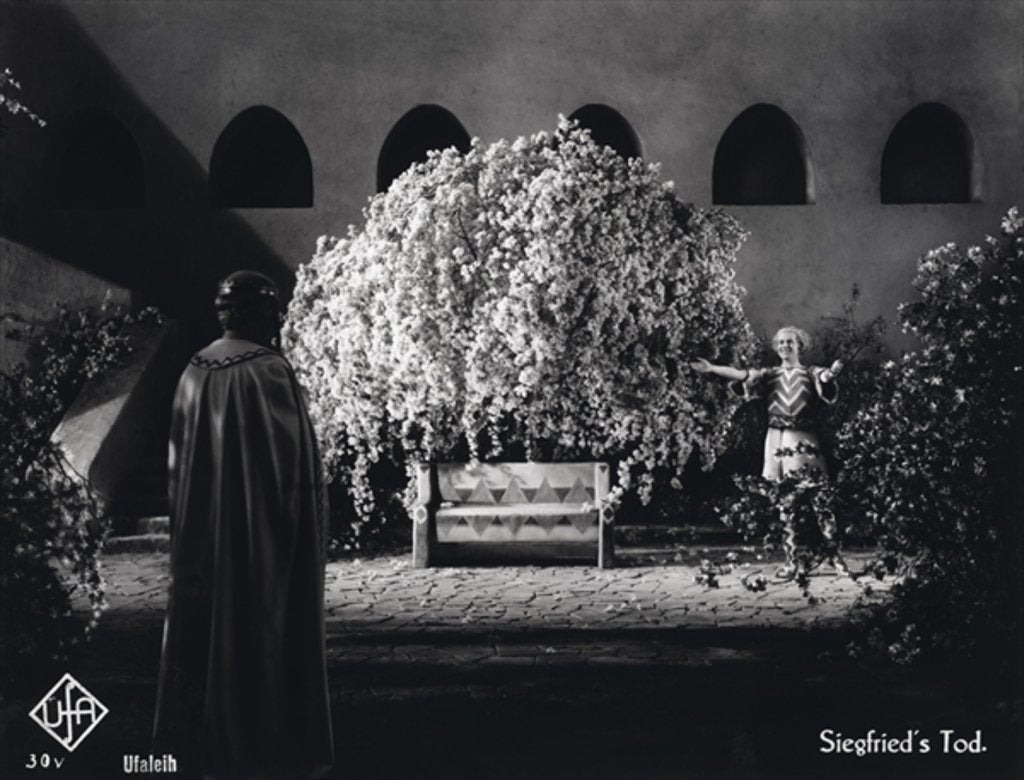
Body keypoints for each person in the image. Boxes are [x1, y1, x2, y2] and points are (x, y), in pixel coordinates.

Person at [154, 270, 333, 779]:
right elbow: (291, 472)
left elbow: (180, 465)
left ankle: (194, 743)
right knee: (259, 629)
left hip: (200, 538)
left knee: (202, 628)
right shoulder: (268, 371)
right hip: (257, 543)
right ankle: (261, 747)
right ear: (265, 314)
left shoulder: (194, 370)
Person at [692, 326, 845, 577]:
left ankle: (835, 557)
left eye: (790, 342)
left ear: (800, 346)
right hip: (776, 440)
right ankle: (791, 561)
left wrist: (831, 374)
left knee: (820, 500)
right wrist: (711, 368)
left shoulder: (810, 372)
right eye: (781, 342)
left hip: (805, 439)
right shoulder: (770, 374)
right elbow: (741, 375)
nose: (785, 346)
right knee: (786, 503)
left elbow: (825, 377)